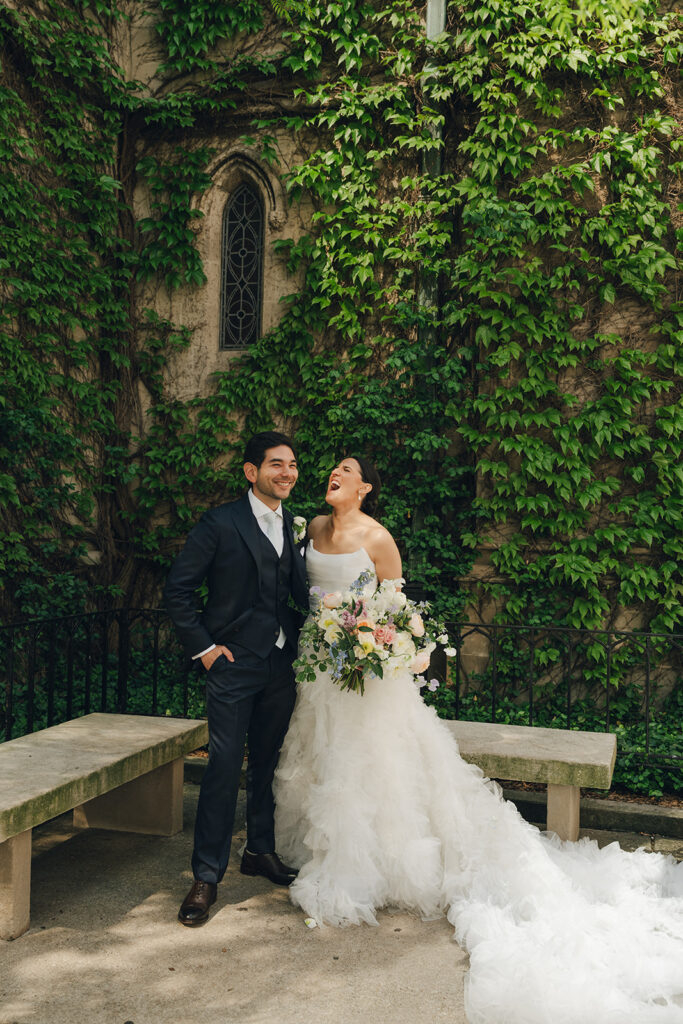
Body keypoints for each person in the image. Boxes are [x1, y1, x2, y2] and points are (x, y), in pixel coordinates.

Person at [274, 456, 683, 1023]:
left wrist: (378, 645)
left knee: (370, 764)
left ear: (365, 487)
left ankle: (367, 863)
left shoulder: (380, 538)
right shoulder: (312, 529)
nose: (335, 474)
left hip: (364, 675)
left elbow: (395, 610)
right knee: (322, 758)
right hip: (317, 670)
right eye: (333, 468)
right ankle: (320, 848)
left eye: (349, 470)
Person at [164, 431, 308, 926]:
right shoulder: (220, 522)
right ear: (252, 472)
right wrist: (206, 651)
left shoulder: (294, 524)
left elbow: (296, 592)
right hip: (231, 665)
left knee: (267, 762)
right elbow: (178, 590)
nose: (287, 472)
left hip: (280, 664)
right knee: (224, 767)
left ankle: (259, 851)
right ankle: (206, 875)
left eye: (291, 465)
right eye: (276, 465)